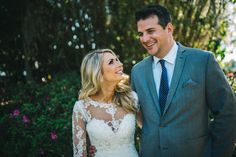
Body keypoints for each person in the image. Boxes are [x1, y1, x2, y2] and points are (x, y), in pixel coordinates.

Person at [130, 4, 236, 157]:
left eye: (151, 31)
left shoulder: (202, 61)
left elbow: (228, 112)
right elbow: (138, 117)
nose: (145, 39)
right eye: (140, 34)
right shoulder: (137, 71)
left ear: (169, 29)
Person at [72, 49, 140, 157]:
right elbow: (79, 153)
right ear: (98, 72)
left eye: (117, 60)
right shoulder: (82, 107)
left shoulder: (132, 98)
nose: (120, 64)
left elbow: (149, 128)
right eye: (111, 62)